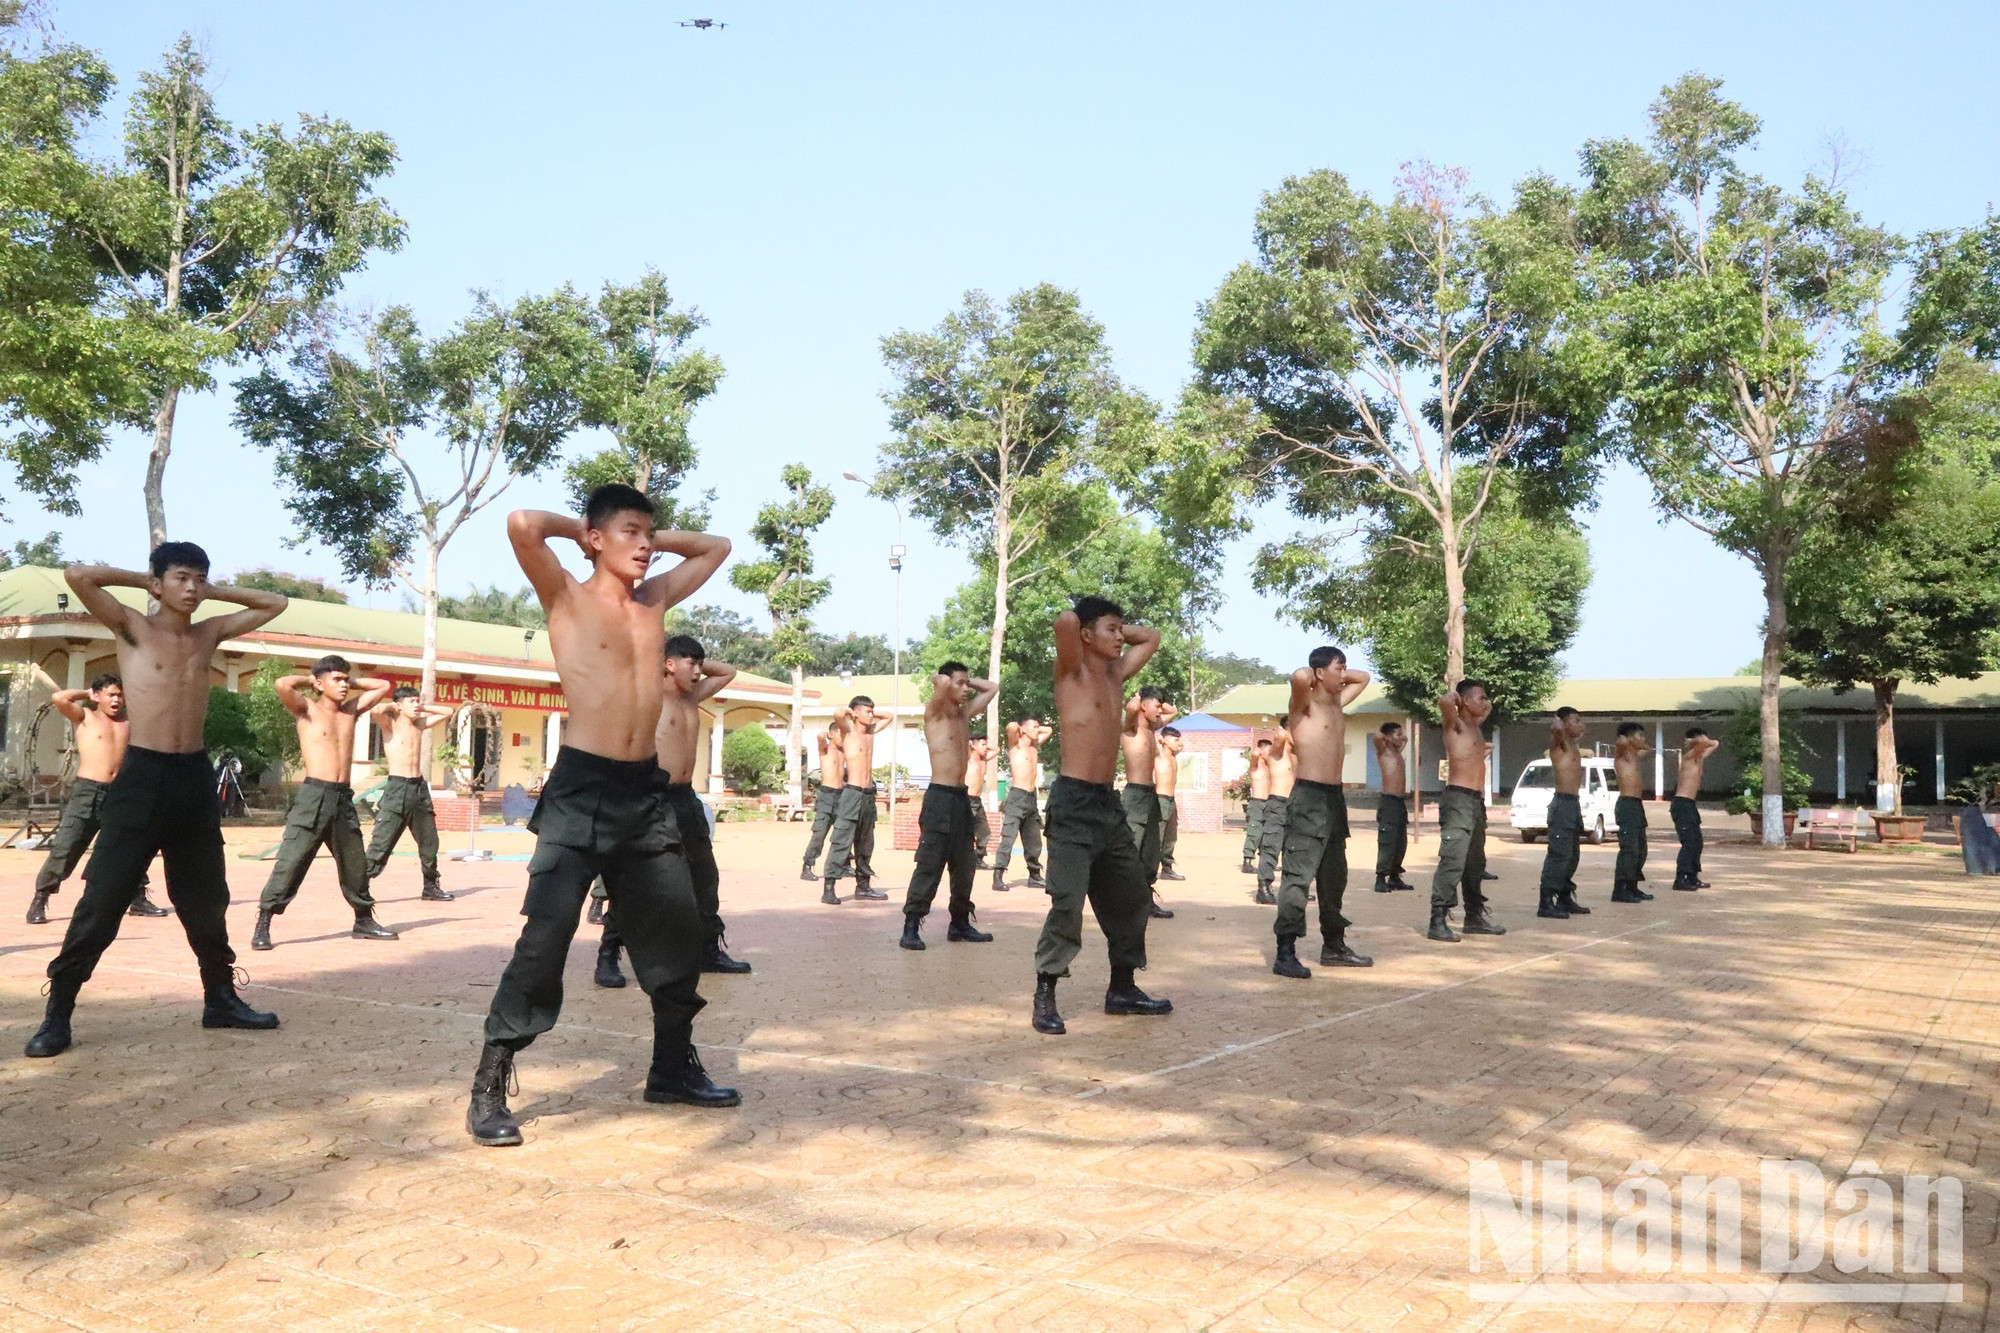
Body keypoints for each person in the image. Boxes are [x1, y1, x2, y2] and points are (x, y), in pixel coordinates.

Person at [466, 486, 734, 1147]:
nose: (646, 543)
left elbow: (717, 548)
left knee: (679, 933)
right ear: (594, 539)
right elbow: (523, 523)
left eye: (651, 533)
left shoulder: (655, 601)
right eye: (632, 532)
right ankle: (490, 1081)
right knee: (546, 938)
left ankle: (672, 1068)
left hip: (645, 795)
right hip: (582, 788)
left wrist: (645, 540)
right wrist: (593, 531)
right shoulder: (567, 595)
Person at [26, 546, 286, 1058]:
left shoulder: (209, 632)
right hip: (141, 776)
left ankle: (221, 999)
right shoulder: (131, 627)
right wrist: (142, 580)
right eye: (182, 578)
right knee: (102, 901)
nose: (193, 589)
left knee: (207, 900)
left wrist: (213, 592)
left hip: (192, 776)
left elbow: (273, 602)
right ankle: (58, 1012)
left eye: (201, 580)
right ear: (159, 583)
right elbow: (78, 574)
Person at [1031, 596, 1172, 1035]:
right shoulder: (1072, 672)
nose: (1120, 637)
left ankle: (1123, 989)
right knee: (1068, 904)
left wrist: (1115, 629)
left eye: (1120, 630)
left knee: (1132, 898)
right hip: (1072, 804)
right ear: (1087, 635)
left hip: (1108, 805)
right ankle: (1045, 993)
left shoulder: (1116, 674)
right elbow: (1065, 619)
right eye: (1110, 629)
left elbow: (1152, 637)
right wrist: (1095, 625)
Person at [600, 635, 749, 987]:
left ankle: (708, 950)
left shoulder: (692, 696)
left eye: (700, 664)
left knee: (705, 876)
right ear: (668, 665)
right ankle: (608, 955)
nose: (698, 672)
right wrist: (663, 657)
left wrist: (692, 663)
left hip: (686, 799)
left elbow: (728, 670)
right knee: (636, 883)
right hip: (653, 797)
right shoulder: (649, 698)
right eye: (691, 664)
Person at [252, 657, 398, 950]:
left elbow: (383, 685)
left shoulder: (350, 712)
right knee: (291, 861)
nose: (344, 685)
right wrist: (315, 680)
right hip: (313, 796)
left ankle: (363, 920)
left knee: (355, 862)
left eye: (347, 680)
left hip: (343, 797)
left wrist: (346, 680)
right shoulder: (307, 709)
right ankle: (264, 922)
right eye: (338, 680)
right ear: (319, 684)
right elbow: (282, 684)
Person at [26, 675, 170, 925]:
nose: (116, 699)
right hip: (88, 792)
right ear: (97, 696)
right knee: (67, 846)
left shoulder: (129, 723)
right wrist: (87, 692)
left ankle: (137, 898)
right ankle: (41, 898)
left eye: (119, 695)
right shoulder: (85, 717)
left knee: (129, 846)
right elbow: (59, 697)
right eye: (110, 694)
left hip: (121, 793)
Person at [1269, 649, 1373, 978]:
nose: (1345, 674)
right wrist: (1318, 676)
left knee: (1334, 878)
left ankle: (1334, 946)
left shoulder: (1336, 703)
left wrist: (1336, 675)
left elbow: (1365, 678)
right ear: (1319, 673)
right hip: (1309, 796)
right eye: (1338, 667)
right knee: (1298, 879)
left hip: (1334, 799)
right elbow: (1299, 677)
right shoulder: (1304, 707)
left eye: (1344, 667)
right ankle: (1285, 952)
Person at [900, 662, 1000, 949]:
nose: (966, 689)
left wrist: (966, 680)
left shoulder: (963, 714)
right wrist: (947, 680)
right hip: (939, 798)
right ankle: (911, 927)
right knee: (930, 864)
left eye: (968, 684)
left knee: (965, 865)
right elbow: (941, 683)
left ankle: (959, 924)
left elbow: (993, 688)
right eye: (960, 683)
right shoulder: (935, 713)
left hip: (961, 798)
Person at [1427, 680, 1505, 942]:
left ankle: (1474, 917)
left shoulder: (1474, 728)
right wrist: (1459, 698)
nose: (1485, 703)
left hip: (1475, 802)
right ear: (1465, 701)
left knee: (1475, 863)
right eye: (1480, 698)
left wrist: (1480, 705)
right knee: (1453, 860)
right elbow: (1446, 701)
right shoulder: (1456, 724)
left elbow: (1487, 709)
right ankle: (1437, 919)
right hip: (1458, 799)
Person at [365, 688, 456, 903]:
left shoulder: (419, 725)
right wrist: (394, 706)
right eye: (411, 701)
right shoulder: (391, 725)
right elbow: (376, 709)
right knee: (382, 842)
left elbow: (447, 711)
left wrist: (420, 707)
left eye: (418, 701)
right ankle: (361, 886)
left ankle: (431, 886)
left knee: (429, 841)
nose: (416, 705)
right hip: (398, 788)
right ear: (399, 705)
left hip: (419, 788)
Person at [821, 696, 894, 904]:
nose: (871, 715)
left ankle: (863, 886)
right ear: (855, 714)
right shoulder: (849, 732)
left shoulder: (871, 733)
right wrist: (855, 712)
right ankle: (829, 888)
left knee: (865, 842)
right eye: (867, 712)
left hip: (868, 795)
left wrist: (870, 712)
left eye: (872, 711)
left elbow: (889, 716)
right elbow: (838, 713)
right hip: (852, 793)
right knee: (842, 840)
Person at [1119, 686, 1177, 919]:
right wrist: (1137, 699)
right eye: (1156, 705)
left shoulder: (1152, 729)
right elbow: (1131, 708)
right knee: (1131, 851)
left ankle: (1146, 902)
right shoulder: (1131, 729)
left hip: (1151, 795)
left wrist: (1158, 704)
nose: (1161, 710)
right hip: (1134, 795)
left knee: (1151, 853)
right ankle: (1123, 905)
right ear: (1143, 705)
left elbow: (1173, 710)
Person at [1536, 708, 1591, 920]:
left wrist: (1574, 731)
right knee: (1559, 855)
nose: (1581, 725)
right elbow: (1556, 728)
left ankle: (1565, 897)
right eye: (1576, 720)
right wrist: (1558, 721)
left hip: (1573, 804)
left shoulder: (1573, 745)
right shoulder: (1559, 743)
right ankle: (1546, 902)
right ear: (1564, 723)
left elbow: (1569, 731)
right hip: (1562, 804)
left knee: (1571, 855)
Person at [993, 718, 1049, 892]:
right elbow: (1010, 727)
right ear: (1023, 730)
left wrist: (1033, 730)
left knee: (1034, 841)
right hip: (1017, 797)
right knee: (1008, 839)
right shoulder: (1016, 746)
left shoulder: (1034, 746)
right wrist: (1023, 728)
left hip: (1031, 798)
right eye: (1034, 727)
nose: (1038, 730)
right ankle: (998, 876)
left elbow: (1050, 730)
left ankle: (1034, 875)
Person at [1671, 727, 1721, 890]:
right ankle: (1681, 878)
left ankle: (1692, 876)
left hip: (1690, 804)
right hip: (1682, 803)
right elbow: (1704, 743)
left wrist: (1700, 740)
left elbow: (1715, 744)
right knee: (1689, 843)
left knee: (1697, 842)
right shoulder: (1689, 756)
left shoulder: (1699, 757)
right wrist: (1695, 741)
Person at [1612, 722, 1655, 904]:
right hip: (1627, 804)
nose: (1643, 739)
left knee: (1640, 850)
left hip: (1637, 805)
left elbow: (1650, 749)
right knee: (1629, 849)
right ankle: (1620, 890)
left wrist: (1637, 742)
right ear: (1629, 737)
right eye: (1640, 735)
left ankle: (1633, 887)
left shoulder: (1634, 756)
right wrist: (1625, 738)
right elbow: (1620, 743)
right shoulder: (1621, 754)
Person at [1254, 722, 1296, 906]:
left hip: (1295, 805)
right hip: (1277, 804)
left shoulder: (1296, 755)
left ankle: (1292, 889)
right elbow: (1279, 737)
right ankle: (1263, 889)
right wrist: (1285, 731)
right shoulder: (1277, 753)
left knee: (1294, 850)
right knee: (1271, 848)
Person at [800, 720, 846, 881]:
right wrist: (827, 735)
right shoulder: (825, 750)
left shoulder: (844, 752)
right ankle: (807, 865)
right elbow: (819, 737)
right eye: (840, 733)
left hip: (842, 795)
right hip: (827, 795)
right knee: (819, 833)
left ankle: (844, 865)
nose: (843, 737)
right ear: (832, 735)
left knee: (843, 832)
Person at [1370, 722, 1413, 893]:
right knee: (1387, 841)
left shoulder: (1397, 753)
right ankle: (1380, 878)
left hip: (1399, 803)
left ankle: (1395, 877)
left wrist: (1401, 737)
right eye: (1397, 734)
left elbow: (1406, 740)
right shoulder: (1384, 752)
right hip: (1388, 801)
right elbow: (1377, 736)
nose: (1401, 737)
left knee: (1400, 841)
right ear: (1388, 737)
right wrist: (1386, 735)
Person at [1154, 726, 1185, 882]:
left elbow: (1180, 747)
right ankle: (1150, 869)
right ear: (1164, 739)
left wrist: (1177, 745)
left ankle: (1167, 868)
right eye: (1175, 739)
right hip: (1160, 799)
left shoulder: (1173, 757)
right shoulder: (1158, 754)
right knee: (1157, 836)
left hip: (1171, 801)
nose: (1178, 742)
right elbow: (1151, 741)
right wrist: (1159, 739)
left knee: (1170, 837)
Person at [1240, 739, 1272, 874]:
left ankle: (1265, 863)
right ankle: (1247, 862)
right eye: (1268, 750)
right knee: (1254, 832)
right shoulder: (1256, 765)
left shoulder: (1269, 766)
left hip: (1269, 803)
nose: (1271, 753)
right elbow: (1253, 755)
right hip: (1257, 803)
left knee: (1267, 834)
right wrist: (1257, 751)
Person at [965, 737, 994, 868]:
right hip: (966, 800)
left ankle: (978, 859)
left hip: (978, 801)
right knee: (966, 833)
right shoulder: (968, 760)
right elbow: (963, 750)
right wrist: (970, 744)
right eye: (982, 745)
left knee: (984, 832)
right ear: (973, 746)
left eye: (986, 745)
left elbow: (997, 750)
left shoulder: (983, 761)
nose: (985, 748)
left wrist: (985, 747)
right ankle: (965, 860)